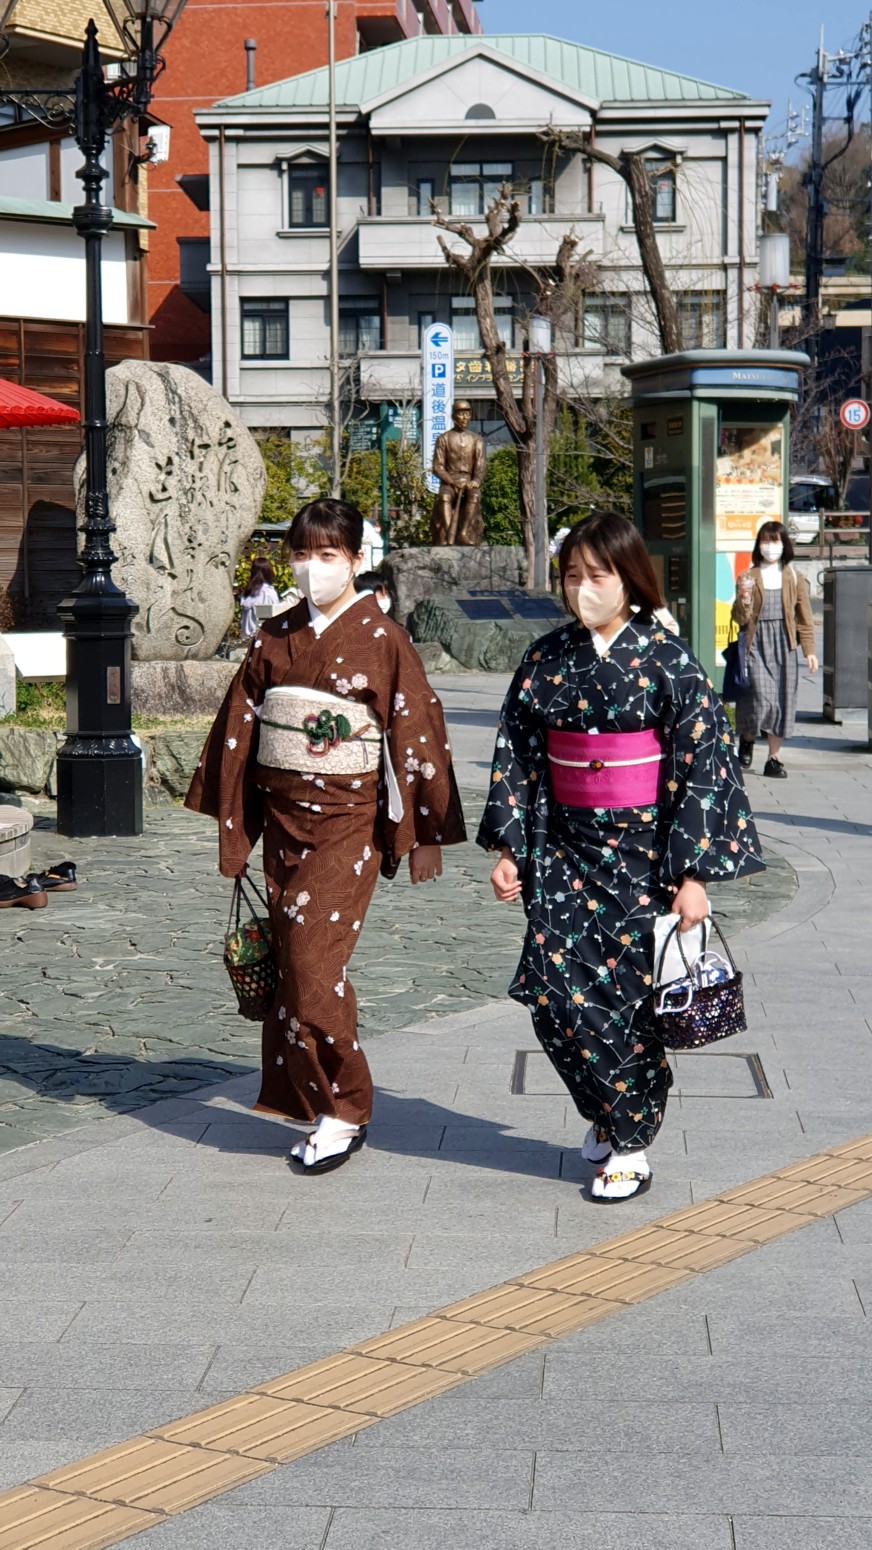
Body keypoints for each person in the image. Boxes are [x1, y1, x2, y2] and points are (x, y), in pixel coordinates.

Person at [478, 511, 764, 1203]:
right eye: (572, 575)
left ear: (629, 579)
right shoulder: (546, 659)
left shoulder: (668, 661)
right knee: (552, 996)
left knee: (624, 1004)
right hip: (564, 850)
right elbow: (518, 754)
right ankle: (608, 1111)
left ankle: (631, 1142)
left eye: (597, 575)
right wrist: (511, 847)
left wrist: (693, 874)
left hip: (643, 858)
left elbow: (703, 767)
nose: (583, 588)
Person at [187, 499, 466, 1172]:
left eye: (329, 555)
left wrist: (425, 832)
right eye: (303, 555)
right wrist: (237, 831)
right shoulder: (274, 636)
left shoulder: (383, 638)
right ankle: (311, 1097)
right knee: (292, 965)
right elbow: (239, 732)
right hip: (284, 822)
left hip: (349, 825)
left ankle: (346, 1106)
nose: (313, 568)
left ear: (356, 560)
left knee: (313, 964)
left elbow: (415, 732)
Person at [732, 520, 818, 778]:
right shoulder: (748, 576)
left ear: (784, 544)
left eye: (775, 541)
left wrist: (810, 651)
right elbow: (739, 618)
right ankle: (748, 736)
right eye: (765, 541)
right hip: (756, 643)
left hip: (784, 645)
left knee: (782, 702)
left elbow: (804, 616)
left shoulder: (793, 576)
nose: (770, 546)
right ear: (759, 545)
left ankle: (773, 759)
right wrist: (745, 599)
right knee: (761, 698)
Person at [239, 555, 280, 638]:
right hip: (260, 640)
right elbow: (271, 620)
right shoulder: (267, 593)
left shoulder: (248, 593)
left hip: (247, 638)